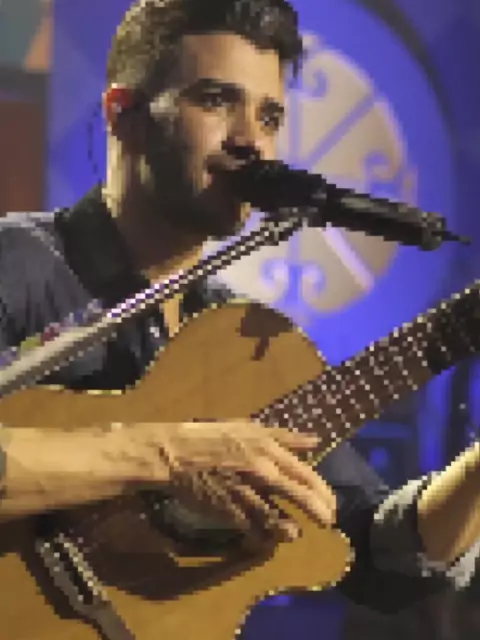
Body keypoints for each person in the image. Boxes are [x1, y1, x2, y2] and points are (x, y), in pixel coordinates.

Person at [0, 0, 479, 618]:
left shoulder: (247, 343)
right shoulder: (20, 262)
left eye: (269, 115)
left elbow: (382, 556)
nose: (251, 141)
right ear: (123, 115)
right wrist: (170, 456)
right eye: (215, 100)